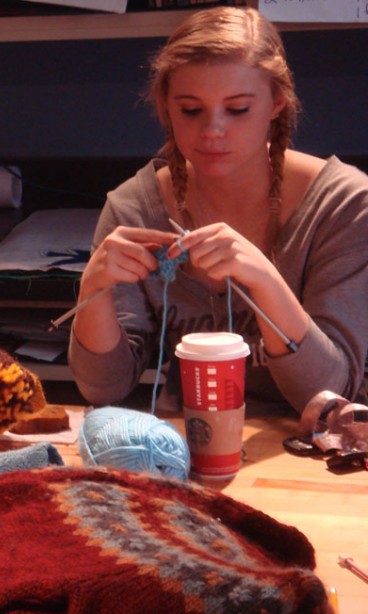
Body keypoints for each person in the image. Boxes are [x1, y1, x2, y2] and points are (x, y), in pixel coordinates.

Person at [68, 7, 368, 415]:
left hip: (315, 457)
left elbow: (328, 394)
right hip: (188, 445)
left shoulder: (345, 204)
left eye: (238, 109)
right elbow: (103, 388)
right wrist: (93, 291)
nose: (212, 130)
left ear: (277, 102)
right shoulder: (133, 208)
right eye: (191, 110)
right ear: (166, 106)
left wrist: (264, 279)